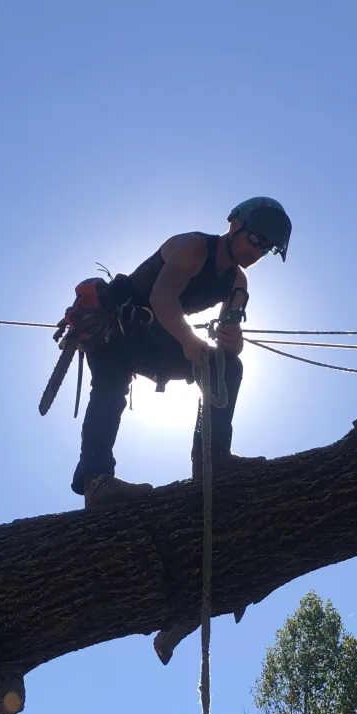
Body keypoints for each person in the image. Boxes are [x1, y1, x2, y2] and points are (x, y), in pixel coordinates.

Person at [72, 196, 292, 508]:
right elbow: (162, 299)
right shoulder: (192, 248)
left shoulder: (238, 282)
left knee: (226, 366)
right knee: (110, 387)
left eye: (265, 247)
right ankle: (96, 480)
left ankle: (213, 461)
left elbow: (233, 340)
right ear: (234, 225)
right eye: (255, 239)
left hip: (158, 341)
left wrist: (232, 340)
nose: (256, 250)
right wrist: (189, 340)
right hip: (118, 332)